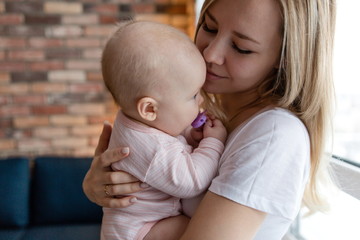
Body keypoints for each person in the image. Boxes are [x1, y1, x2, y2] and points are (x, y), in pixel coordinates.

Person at [83, 0, 336, 239]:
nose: (210, 54)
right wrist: (99, 188)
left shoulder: (274, 134)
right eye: (209, 27)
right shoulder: (198, 115)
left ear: (284, 59)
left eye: (241, 47)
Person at [99, 20, 227, 240]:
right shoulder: (152, 150)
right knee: (197, 228)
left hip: (138, 225)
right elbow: (191, 182)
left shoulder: (136, 121)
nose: (201, 101)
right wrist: (212, 143)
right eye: (193, 96)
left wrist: (189, 137)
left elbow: (169, 139)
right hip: (141, 231)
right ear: (149, 109)